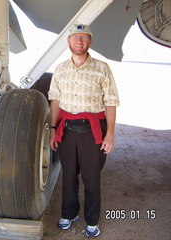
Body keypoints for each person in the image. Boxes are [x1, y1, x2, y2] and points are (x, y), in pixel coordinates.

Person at [48, 23, 119, 237]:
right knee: (68, 175)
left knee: (91, 177)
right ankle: (69, 214)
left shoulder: (102, 68)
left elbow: (111, 101)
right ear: (68, 41)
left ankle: (91, 220)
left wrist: (110, 133)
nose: (79, 41)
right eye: (75, 37)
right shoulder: (60, 69)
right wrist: (53, 129)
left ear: (90, 42)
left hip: (93, 130)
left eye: (84, 37)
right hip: (67, 130)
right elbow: (55, 100)